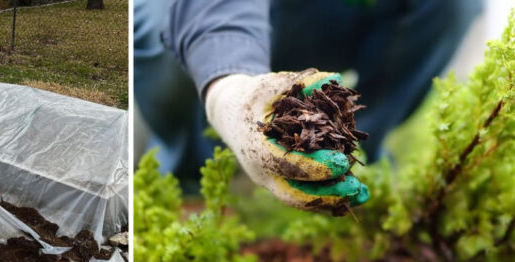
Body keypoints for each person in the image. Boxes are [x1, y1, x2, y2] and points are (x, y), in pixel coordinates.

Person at [134, 0, 482, 211]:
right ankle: (192, 171)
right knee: (167, 24)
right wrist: (228, 89)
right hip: (215, 12)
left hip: (325, 15)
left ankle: (347, 165)